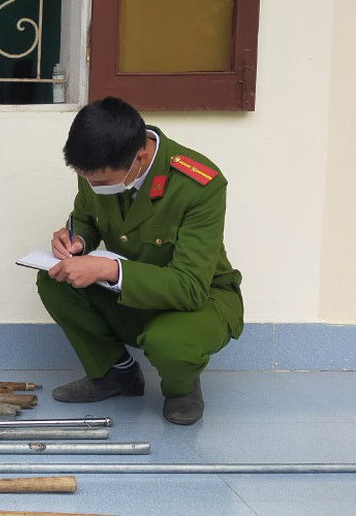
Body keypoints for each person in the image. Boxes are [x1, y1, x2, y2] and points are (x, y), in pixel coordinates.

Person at [36, 97, 242, 425]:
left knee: (169, 341)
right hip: (131, 289)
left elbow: (189, 287)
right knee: (54, 278)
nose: (93, 186)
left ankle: (182, 387)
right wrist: (77, 240)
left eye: (101, 182)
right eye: (85, 178)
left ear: (140, 158)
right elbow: (87, 215)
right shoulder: (98, 163)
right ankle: (116, 375)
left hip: (199, 300)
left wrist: (107, 268)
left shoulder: (199, 185)